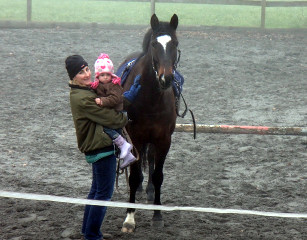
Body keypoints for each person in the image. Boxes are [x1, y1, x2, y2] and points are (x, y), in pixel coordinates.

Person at [65, 54, 140, 240]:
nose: (87, 74)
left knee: (96, 190)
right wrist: (125, 118)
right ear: (73, 76)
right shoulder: (82, 98)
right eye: (81, 72)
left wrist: (127, 98)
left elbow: (109, 103)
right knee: (104, 193)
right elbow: (109, 118)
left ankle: (88, 231)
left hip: (99, 145)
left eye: (87, 69)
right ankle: (92, 236)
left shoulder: (87, 90)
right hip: (100, 147)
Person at [91, 53, 136, 169]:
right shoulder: (98, 85)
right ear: (98, 76)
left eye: (107, 74)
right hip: (110, 112)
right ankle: (128, 156)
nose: (105, 77)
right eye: (102, 75)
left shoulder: (114, 85)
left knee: (106, 128)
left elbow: (115, 99)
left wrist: (102, 101)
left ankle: (123, 144)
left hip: (116, 112)